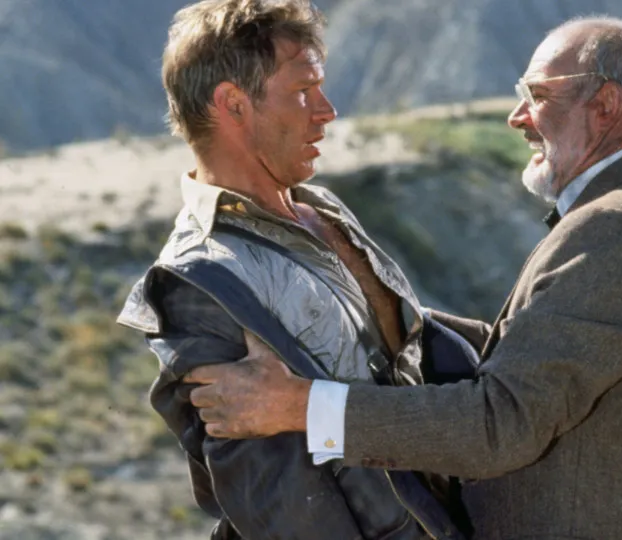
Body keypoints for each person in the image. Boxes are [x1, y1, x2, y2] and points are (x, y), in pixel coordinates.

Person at [186, 15, 622, 539]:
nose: (517, 117)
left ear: (605, 106)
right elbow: (539, 352)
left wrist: (299, 407)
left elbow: (499, 424)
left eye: (538, 96)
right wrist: (381, 310)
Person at [115, 0, 471, 538]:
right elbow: (280, 502)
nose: (327, 111)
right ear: (233, 104)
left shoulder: (320, 208)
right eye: (304, 91)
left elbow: (409, 356)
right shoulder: (197, 280)